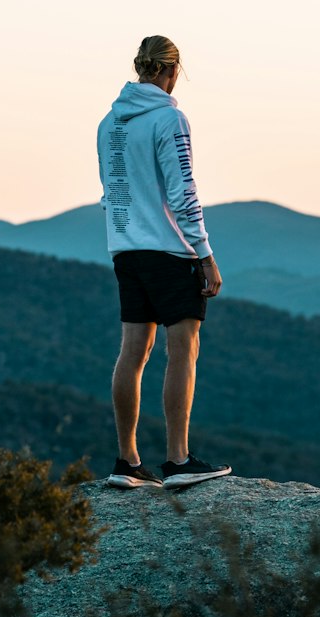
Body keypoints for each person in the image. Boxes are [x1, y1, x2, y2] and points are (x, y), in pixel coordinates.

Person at [96, 35, 231, 491]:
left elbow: (110, 192)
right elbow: (183, 192)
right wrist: (206, 256)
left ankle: (126, 461)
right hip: (170, 251)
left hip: (126, 251)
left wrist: (122, 240)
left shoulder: (109, 123)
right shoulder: (170, 118)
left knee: (132, 353)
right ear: (172, 72)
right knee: (183, 351)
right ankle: (177, 461)